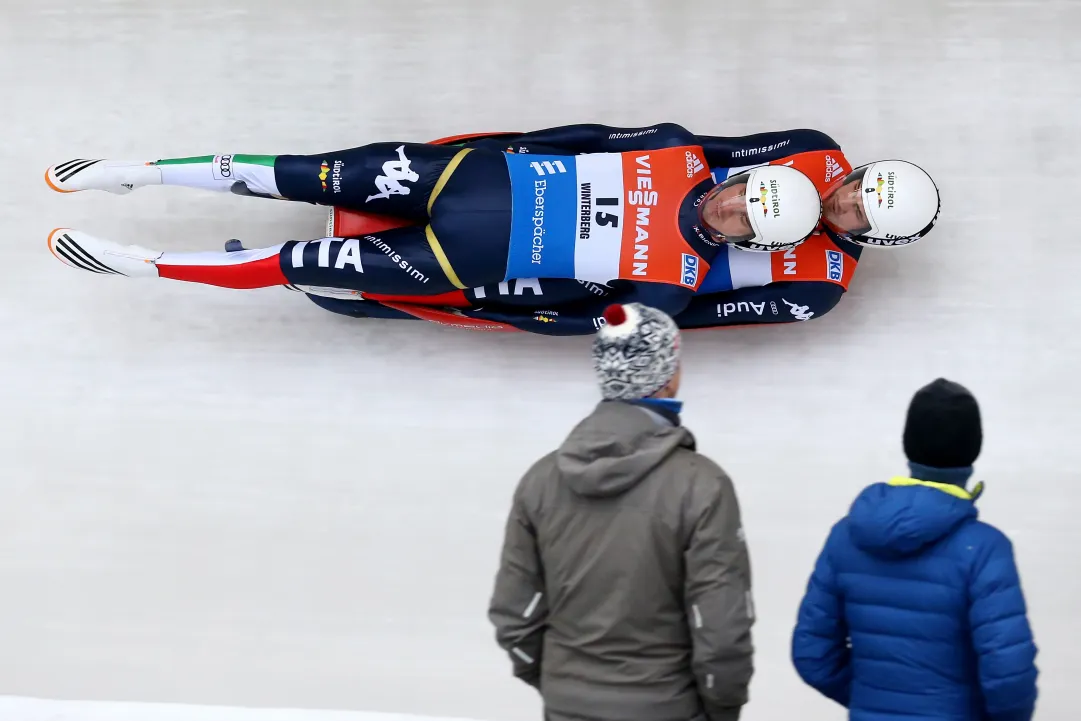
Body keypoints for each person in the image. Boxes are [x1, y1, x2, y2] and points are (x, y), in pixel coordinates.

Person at [44, 124, 825, 332]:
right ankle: (135, 171)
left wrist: (482, 305)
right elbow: (575, 135)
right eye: (741, 195)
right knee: (290, 168)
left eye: (743, 222)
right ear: (743, 179)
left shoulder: (673, 284)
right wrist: (482, 146)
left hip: (451, 258)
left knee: (292, 261)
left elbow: (570, 321)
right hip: (461, 175)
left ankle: (147, 265)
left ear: (750, 243)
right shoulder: (675, 149)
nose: (727, 209)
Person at [488, 302, 754, 721]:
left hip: (567, 706)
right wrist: (722, 708)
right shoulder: (702, 485)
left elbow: (514, 614)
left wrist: (562, 685)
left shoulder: (541, 480)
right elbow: (721, 631)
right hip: (667, 707)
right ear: (669, 376)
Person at [791, 378, 1038, 721]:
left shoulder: (844, 537)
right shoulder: (984, 549)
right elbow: (1009, 670)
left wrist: (873, 701)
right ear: (973, 449)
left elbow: (812, 653)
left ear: (908, 444)